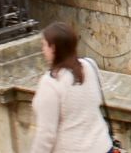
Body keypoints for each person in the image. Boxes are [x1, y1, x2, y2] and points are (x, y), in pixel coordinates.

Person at [29, 23, 111, 153]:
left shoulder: (50, 83)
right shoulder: (90, 65)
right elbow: (96, 100)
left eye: (44, 45)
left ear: (53, 48)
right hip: (102, 145)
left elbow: (46, 134)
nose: (43, 49)